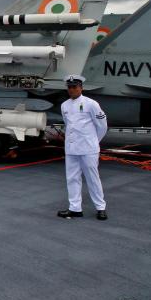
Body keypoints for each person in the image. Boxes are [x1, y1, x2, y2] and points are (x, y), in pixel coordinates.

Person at [58, 75, 109, 221]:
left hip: (88, 149)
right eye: (69, 87)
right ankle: (75, 208)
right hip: (71, 149)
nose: (72, 90)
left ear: (81, 87)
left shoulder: (91, 104)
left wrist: (93, 141)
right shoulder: (64, 105)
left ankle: (100, 208)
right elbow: (69, 126)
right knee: (72, 179)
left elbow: (102, 126)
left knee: (93, 179)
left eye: (75, 87)